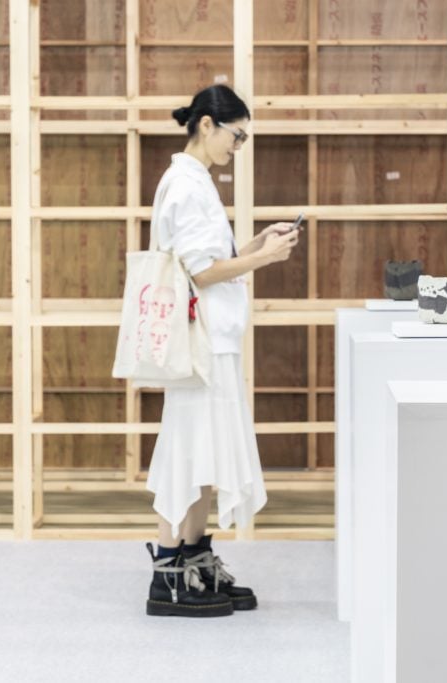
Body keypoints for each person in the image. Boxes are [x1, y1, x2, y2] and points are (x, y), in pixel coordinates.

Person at [144, 85, 299, 618]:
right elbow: (202, 272)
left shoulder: (197, 182)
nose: (239, 145)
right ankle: (168, 572)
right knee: (186, 452)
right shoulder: (185, 185)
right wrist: (263, 260)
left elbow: (212, 260)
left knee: (202, 453)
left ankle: (192, 559)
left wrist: (256, 245)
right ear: (207, 125)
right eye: (237, 135)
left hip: (214, 339)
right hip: (200, 343)